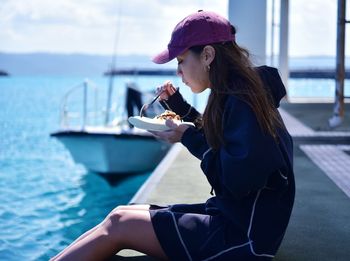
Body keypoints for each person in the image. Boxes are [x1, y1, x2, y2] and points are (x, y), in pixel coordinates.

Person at [51, 10, 295, 261]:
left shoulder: (243, 99)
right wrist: (179, 106)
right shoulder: (239, 92)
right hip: (238, 222)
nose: (178, 71)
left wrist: (188, 138)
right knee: (121, 213)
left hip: (243, 239)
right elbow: (227, 142)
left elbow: (235, 180)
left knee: (118, 223)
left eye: (180, 60)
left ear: (208, 55)